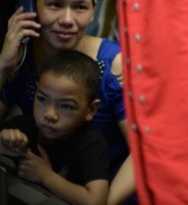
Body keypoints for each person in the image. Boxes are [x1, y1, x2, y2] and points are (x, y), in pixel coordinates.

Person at [0, 0, 135, 204]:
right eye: (55, 4)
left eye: (80, 7)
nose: (67, 20)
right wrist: (3, 66)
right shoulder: (21, 56)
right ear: (31, 5)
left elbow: (144, 150)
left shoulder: (114, 65)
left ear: (94, 10)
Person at [0, 49, 109, 205]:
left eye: (66, 106)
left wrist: (46, 176)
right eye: (42, 99)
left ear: (90, 110)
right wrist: (3, 145)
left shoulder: (92, 144)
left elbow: (96, 201)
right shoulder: (24, 125)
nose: (50, 114)